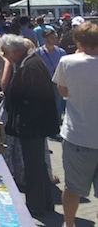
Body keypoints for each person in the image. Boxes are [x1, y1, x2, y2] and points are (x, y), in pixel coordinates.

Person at [0, 33, 58, 218]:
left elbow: (34, 97)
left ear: (15, 51)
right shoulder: (28, 62)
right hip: (33, 124)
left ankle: (36, 207)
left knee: (34, 167)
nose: (5, 57)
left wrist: (24, 119)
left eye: (5, 53)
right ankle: (43, 203)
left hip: (32, 125)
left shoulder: (30, 66)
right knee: (36, 165)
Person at [52, 22, 98, 227]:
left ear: (78, 42)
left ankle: (69, 224)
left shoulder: (67, 61)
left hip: (78, 135)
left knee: (72, 188)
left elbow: (63, 91)